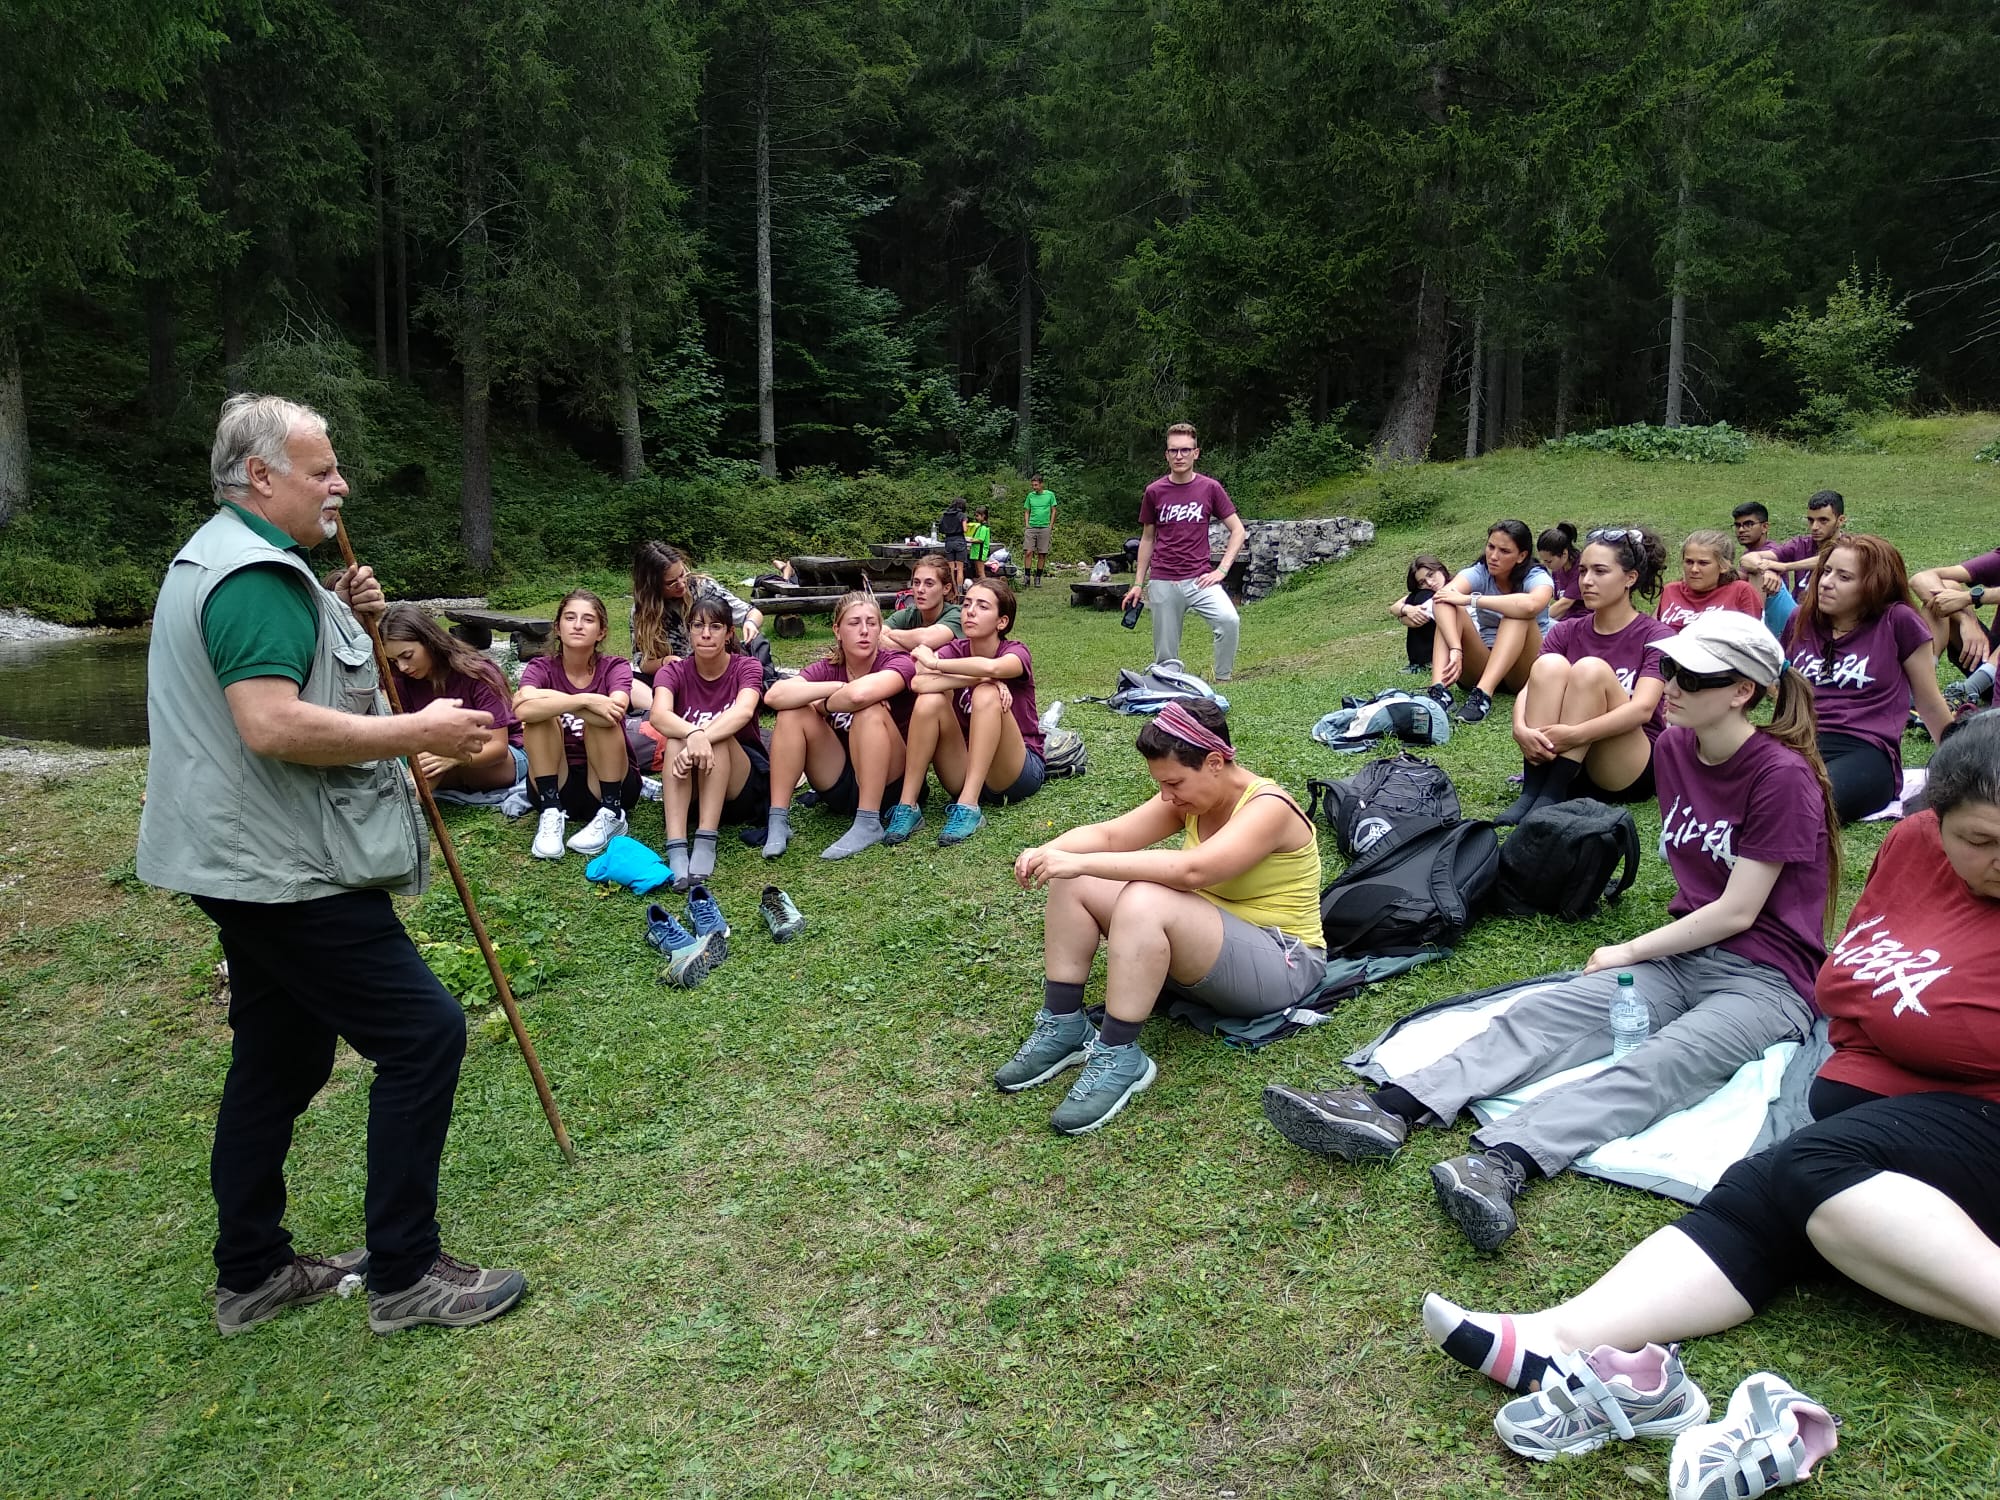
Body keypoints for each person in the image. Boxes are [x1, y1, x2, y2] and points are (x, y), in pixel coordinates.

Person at [1420, 713, 2000, 1413]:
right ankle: (1555, 1340)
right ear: (1938, 818)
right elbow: (1853, 982)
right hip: (1876, 1115)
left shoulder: (1782, 778)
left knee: (1810, 1165)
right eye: (1980, 840)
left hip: (1974, 1116)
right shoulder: (1911, 844)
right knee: (1764, 1191)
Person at [1265, 610, 1839, 1252]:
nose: (1672, 686)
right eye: (1670, 668)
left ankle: (1504, 1162)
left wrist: (1627, 949)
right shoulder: (1676, 750)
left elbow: (1738, 911)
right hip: (1683, 956)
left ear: (1743, 692)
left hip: (1766, 979)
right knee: (1545, 1016)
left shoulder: (1781, 776)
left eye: (1694, 677)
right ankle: (1388, 1109)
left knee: (1662, 1064)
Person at [136, 393, 524, 1337]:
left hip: (234, 857)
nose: (340, 484)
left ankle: (254, 1274)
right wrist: (420, 730)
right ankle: (405, 1275)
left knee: (282, 1054)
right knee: (424, 1034)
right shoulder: (255, 577)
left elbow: (277, 676)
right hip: (280, 863)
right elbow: (270, 724)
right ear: (260, 476)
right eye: (322, 470)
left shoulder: (227, 560)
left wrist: (337, 613)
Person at [1000, 699, 1325, 1135]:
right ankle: (1063, 1023)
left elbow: (1193, 871)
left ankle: (1119, 1055)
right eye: (1162, 785)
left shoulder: (1269, 808)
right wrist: (1050, 851)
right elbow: (1111, 835)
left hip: (1282, 964)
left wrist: (1079, 861)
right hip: (1209, 945)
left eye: (1174, 783)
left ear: (1214, 762)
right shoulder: (1190, 797)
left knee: (1143, 897)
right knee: (1075, 880)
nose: (1168, 796)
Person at [1496, 527, 1674, 826]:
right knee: (1550, 664)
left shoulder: (1656, 635)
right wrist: (1519, 728)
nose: (1587, 581)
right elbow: (1530, 688)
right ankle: (1532, 791)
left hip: (1626, 763)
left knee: (1590, 669)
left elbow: (1643, 709)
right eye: (1582, 571)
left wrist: (1576, 734)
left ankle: (1552, 795)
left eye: (1600, 571)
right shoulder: (1567, 630)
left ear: (1630, 578)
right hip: (1568, 759)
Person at [1784, 533, 1951, 822]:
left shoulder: (1898, 621)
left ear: (1874, 585)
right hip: (1797, 741)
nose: (1826, 582)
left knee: (1806, 805)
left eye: (1844, 577)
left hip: (1865, 748)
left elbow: (1929, 703)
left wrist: (1959, 762)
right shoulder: (1800, 620)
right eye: (1826, 571)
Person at [885, 578, 1045, 847]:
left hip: (1015, 771)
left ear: (1002, 622)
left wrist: (938, 665)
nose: (970, 611)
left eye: (982, 606)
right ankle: (907, 805)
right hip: (966, 764)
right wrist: (976, 678)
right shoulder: (955, 650)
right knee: (929, 701)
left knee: (987, 693)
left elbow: (994, 668)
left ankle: (969, 806)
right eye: (967, 604)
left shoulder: (1015, 651)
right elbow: (919, 682)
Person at [762, 590, 916, 860]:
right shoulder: (827, 669)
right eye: (854, 623)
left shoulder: (897, 661)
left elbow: (859, 696)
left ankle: (869, 822)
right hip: (840, 780)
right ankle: (778, 820)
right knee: (791, 713)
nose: (864, 631)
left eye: (871, 623)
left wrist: (823, 704)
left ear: (880, 629)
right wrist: (837, 688)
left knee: (868, 710)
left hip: (891, 785)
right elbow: (774, 696)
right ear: (837, 630)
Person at [648, 595, 769, 890]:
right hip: (689, 783)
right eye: (698, 626)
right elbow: (659, 715)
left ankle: (706, 839)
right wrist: (693, 736)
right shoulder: (673, 671)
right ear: (689, 630)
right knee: (677, 740)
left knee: (717, 739)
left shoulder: (747, 667)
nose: (705, 634)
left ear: (729, 633)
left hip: (738, 784)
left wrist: (702, 736)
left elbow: (743, 711)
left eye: (715, 626)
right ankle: (676, 844)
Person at [515, 589, 639, 860]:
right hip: (556, 780)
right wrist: (583, 700)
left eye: (588, 619)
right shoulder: (541, 667)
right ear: (557, 628)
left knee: (602, 721)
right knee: (539, 719)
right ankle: (550, 812)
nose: (578, 625)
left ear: (601, 632)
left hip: (609, 780)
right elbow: (523, 709)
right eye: (570, 618)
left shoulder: (615, 667)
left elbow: (614, 710)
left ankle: (612, 814)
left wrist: (551, 700)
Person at [1121, 423, 1248, 682]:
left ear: (1196, 453)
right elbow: (1147, 538)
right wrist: (1138, 583)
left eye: (1185, 450)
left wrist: (1222, 570)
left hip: (1200, 579)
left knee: (1229, 620)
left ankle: (1223, 679)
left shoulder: (1210, 488)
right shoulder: (1154, 491)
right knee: (1166, 655)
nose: (1179, 456)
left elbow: (1238, 531)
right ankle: (1168, 685)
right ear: (1166, 455)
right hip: (1163, 580)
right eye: (1174, 451)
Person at [1425, 519, 1557, 724]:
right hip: (1484, 661)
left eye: (1504, 551)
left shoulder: (1535, 575)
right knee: (1448, 606)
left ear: (1521, 556)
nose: (1494, 556)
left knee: (1517, 613)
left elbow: (1532, 604)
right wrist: (1455, 648)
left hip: (1524, 669)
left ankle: (1482, 695)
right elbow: (1441, 597)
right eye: (1491, 547)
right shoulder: (1480, 572)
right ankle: (1438, 691)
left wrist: (1472, 600)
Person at [380, 603, 523, 791]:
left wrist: (452, 757)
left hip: (499, 758)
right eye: (393, 660)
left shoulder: (477, 674)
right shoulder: (400, 679)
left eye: (407, 655)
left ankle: (404, 802)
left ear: (429, 641)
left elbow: (498, 748)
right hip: (440, 759)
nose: (402, 667)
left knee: (435, 747)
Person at [628, 540, 764, 713]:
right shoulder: (641, 612)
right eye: (671, 582)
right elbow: (643, 662)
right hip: (676, 679)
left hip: (717, 674)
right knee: (626, 682)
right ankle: (668, 709)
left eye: (682, 574)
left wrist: (750, 623)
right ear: (652, 585)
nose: (681, 583)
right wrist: (665, 662)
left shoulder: (702, 587)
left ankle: (674, 709)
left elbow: (752, 613)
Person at [1911, 542, 2000, 701]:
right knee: (1947, 587)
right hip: (1988, 663)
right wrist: (1967, 620)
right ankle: (1918, 688)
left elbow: (1968, 597)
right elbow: (1921, 578)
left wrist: (1969, 597)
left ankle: (1969, 690)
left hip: (1989, 674)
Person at [1741, 490, 1847, 600]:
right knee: (1758, 575)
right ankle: (1757, 612)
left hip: (1832, 607)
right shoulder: (1800, 544)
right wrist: (1765, 570)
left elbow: (1830, 558)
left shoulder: (1850, 547)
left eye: (1823, 520)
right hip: (1796, 608)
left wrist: (1786, 567)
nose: (1814, 527)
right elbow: (1747, 558)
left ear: (1840, 520)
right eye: (1811, 520)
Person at [1658, 529, 1765, 631]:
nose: (1694, 569)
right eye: (1689, 562)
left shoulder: (1740, 591)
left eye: (1703, 563)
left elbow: (1752, 638)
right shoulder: (1670, 591)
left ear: (1724, 566)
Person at [1733, 500, 1799, 639]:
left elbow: (1738, 578)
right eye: (1738, 525)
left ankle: (1755, 629)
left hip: (1781, 622)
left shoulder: (1772, 551)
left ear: (1765, 527)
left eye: (1748, 524)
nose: (1741, 530)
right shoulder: (1750, 553)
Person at [880, 553, 963, 652]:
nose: (920, 590)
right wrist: (914, 651)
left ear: (946, 588)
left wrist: (890, 634)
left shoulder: (956, 616)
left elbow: (926, 639)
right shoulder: (909, 614)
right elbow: (876, 637)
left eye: (929, 584)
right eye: (916, 582)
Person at [1393, 554, 1449, 673]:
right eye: (1422, 582)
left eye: (1431, 575)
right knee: (1419, 596)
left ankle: (1427, 661)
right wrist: (1407, 609)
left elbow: (1416, 622)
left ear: (1440, 569)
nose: (1430, 583)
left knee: (1421, 598)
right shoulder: (1427, 593)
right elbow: (1394, 607)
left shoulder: (1458, 584)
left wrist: (1402, 618)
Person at [1538, 522, 1583, 621]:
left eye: (1549, 561)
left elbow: (1564, 604)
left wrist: (1537, 618)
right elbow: (1561, 611)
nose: (1546, 565)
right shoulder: (1558, 568)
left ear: (1564, 554)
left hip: (1582, 619)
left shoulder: (1581, 569)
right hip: (1567, 619)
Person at [1022, 475, 1057, 588]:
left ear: (1041, 484)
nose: (1034, 487)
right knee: (1028, 551)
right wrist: (1027, 524)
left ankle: (1038, 578)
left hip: (1044, 527)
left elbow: (1053, 510)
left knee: (1042, 553)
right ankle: (1027, 577)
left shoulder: (1050, 495)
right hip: (1032, 527)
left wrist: (1050, 525)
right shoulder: (1030, 496)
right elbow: (1027, 510)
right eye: (1033, 485)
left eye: (1036, 485)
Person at [937, 496, 970, 594]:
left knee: (950, 569)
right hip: (959, 541)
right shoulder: (962, 515)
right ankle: (959, 592)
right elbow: (965, 529)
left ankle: (953, 591)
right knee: (960, 569)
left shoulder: (945, 515)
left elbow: (941, 528)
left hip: (948, 541)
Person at [968, 506, 993, 580]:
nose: (976, 518)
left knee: (981, 573)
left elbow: (981, 540)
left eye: (977, 516)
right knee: (978, 573)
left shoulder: (984, 527)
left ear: (983, 516)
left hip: (980, 552)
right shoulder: (980, 526)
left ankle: (985, 585)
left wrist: (970, 540)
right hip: (976, 552)